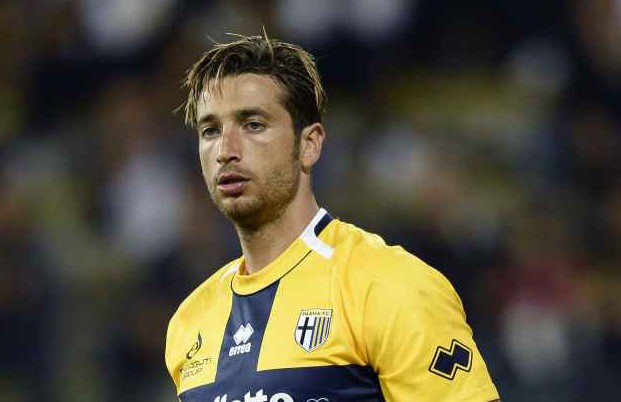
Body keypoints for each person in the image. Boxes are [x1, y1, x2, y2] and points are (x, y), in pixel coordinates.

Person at [165, 32, 501, 402]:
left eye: (253, 124)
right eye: (210, 131)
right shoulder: (190, 321)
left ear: (309, 145)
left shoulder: (387, 285)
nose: (225, 150)